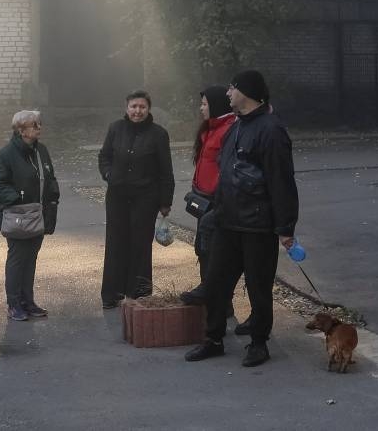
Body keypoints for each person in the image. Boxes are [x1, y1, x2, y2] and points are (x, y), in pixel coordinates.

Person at [185, 70, 299, 368]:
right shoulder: (236, 127)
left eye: (232, 88)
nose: (228, 94)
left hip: (257, 225)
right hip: (227, 220)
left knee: (259, 287)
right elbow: (225, 173)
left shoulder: (271, 130)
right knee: (216, 283)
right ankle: (213, 339)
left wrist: (285, 227)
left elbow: (281, 181)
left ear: (246, 92)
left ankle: (258, 343)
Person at [98, 90, 175, 308]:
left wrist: (165, 202)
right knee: (116, 243)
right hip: (117, 196)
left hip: (146, 197)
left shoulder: (158, 134)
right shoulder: (115, 128)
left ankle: (139, 295)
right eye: (133, 106)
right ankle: (112, 294)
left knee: (140, 245)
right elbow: (104, 157)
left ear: (148, 109)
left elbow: (165, 171)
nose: (137, 111)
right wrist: (108, 174)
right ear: (126, 108)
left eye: (142, 107)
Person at [0, 110, 60, 322]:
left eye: (39, 124)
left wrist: (53, 197)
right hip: (18, 216)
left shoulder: (41, 150)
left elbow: (50, 177)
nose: (39, 128)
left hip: (38, 214)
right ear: (21, 130)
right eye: (35, 125)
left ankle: (28, 302)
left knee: (31, 259)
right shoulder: (7, 153)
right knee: (17, 259)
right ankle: (14, 304)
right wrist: (18, 201)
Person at [179, 87, 238, 318]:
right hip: (203, 198)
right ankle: (216, 302)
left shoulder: (229, 129)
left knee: (215, 253)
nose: (201, 108)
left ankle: (220, 303)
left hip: (219, 202)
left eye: (204, 104)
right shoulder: (210, 128)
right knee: (204, 250)